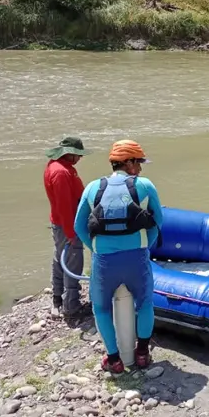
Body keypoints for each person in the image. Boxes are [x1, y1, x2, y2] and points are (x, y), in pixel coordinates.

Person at [74, 140, 163, 374]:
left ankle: (114, 360)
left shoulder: (93, 187)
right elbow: (158, 221)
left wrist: (94, 248)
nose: (140, 168)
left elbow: (79, 226)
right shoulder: (145, 185)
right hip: (137, 258)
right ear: (129, 163)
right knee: (145, 303)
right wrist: (145, 245)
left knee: (101, 307)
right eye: (139, 162)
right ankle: (142, 353)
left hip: (104, 260)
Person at [43, 137, 92, 319]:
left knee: (59, 258)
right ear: (69, 154)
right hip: (67, 224)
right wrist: (71, 232)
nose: (80, 158)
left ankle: (58, 298)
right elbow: (64, 206)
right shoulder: (61, 173)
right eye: (78, 155)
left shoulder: (57, 166)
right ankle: (72, 306)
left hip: (60, 223)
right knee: (73, 261)